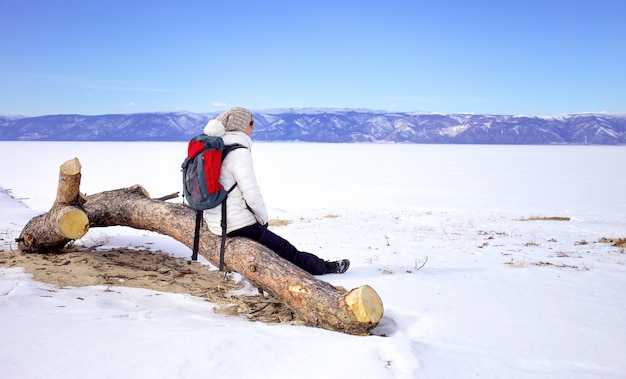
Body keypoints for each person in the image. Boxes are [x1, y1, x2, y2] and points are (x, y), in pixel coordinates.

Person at [202, 106, 349, 275]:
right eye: (251, 123)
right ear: (241, 125)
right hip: (234, 223)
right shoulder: (238, 152)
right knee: (285, 249)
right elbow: (250, 191)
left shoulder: (215, 147)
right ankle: (324, 267)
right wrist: (262, 219)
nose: (253, 128)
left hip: (214, 220)